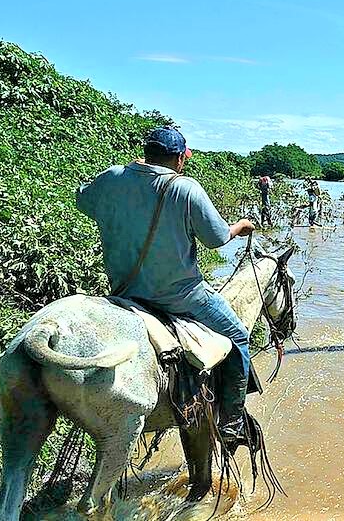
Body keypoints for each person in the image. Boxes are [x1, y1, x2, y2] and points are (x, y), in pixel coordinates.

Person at [77, 126, 257, 446]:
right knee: (239, 337)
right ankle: (231, 422)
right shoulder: (185, 188)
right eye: (182, 159)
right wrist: (239, 226)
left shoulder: (113, 177)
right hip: (181, 297)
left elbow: (83, 201)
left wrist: (126, 181)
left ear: (146, 153)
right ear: (178, 159)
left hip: (122, 292)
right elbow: (215, 239)